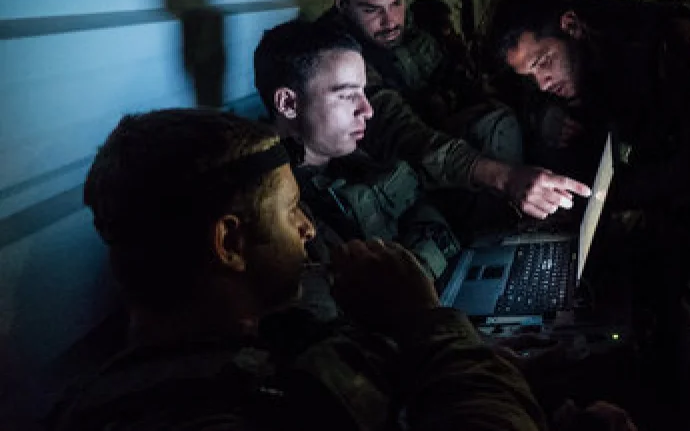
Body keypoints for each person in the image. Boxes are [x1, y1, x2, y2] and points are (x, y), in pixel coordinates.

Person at [49, 108, 547, 430]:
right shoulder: (230, 411)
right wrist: (427, 322)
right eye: (291, 210)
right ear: (230, 242)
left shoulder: (252, 352)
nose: (308, 228)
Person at [488, 0, 690, 409]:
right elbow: (529, 95)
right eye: (529, 75)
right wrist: (548, 115)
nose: (542, 80)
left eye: (544, 63)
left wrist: (613, 196)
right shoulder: (566, 52)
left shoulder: (670, 40)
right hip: (637, 141)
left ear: (571, 26)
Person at [315, 0, 591, 222]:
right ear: (343, 5)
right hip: (404, 184)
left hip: (448, 158)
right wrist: (504, 177)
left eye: (397, 2)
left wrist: (539, 115)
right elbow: (402, 134)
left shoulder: (412, 34)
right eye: (372, 10)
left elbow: (475, 85)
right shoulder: (334, 57)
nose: (391, 21)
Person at [253, 19, 460, 285]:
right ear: (288, 103)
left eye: (363, 92)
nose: (368, 110)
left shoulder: (355, 155)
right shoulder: (281, 209)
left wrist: (414, 271)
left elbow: (430, 217)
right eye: (347, 95)